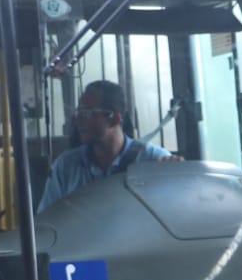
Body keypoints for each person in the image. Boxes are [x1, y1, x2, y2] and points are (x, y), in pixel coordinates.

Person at [36, 80, 174, 211]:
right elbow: (45, 224)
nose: (78, 119)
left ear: (114, 119)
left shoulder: (154, 161)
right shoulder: (65, 167)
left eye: (86, 113)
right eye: (78, 112)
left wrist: (177, 173)